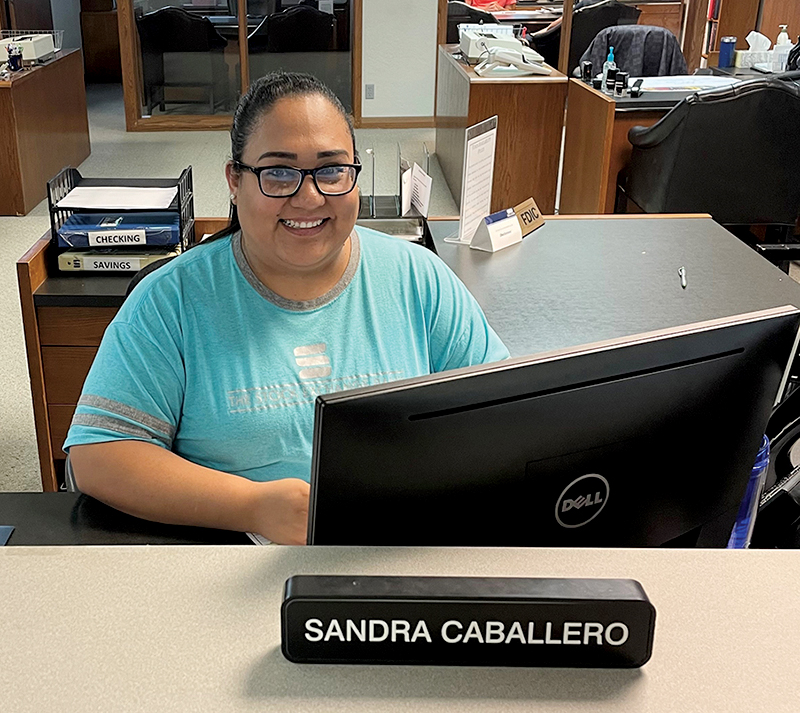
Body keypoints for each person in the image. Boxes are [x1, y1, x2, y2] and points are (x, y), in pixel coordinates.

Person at [65, 72, 509, 545]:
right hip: (235, 565)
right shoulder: (170, 300)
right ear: (235, 180)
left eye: (331, 169)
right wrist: (254, 508)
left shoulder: (420, 278)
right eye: (278, 172)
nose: (309, 196)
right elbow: (99, 457)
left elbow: (503, 413)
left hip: (397, 556)